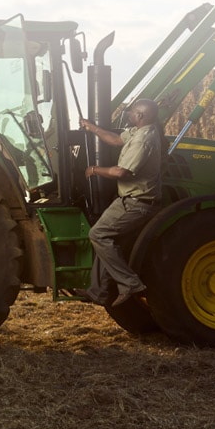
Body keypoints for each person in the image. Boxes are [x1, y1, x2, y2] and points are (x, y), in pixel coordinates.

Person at [78, 98, 162, 307]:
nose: (130, 115)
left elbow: (121, 172)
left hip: (137, 202)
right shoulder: (140, 131)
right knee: (104, 237)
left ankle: (131, 284)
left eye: (132, 112)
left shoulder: (145, 139)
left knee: (98, 234)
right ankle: (98, 292)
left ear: (140, 116)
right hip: (127, 198)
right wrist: (92, 127)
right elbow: (116, 140)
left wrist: (94, 170)